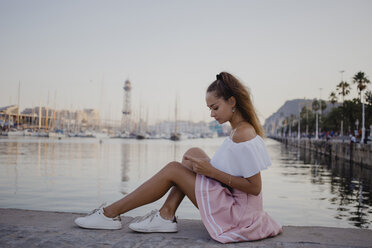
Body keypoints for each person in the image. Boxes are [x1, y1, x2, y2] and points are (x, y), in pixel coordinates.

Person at [75, 72, 282, 243]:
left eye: (215, 107)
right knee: (192, 153)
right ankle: (166, 214)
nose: (211, 114)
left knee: (174, 169)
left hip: (238, 216)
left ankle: (110, 214)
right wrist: (208, 169)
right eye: (209, 108)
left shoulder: (243, 133)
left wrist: (212, 172)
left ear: (232, 102)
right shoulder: (237, 130)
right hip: (235, 204)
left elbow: (255, 188)